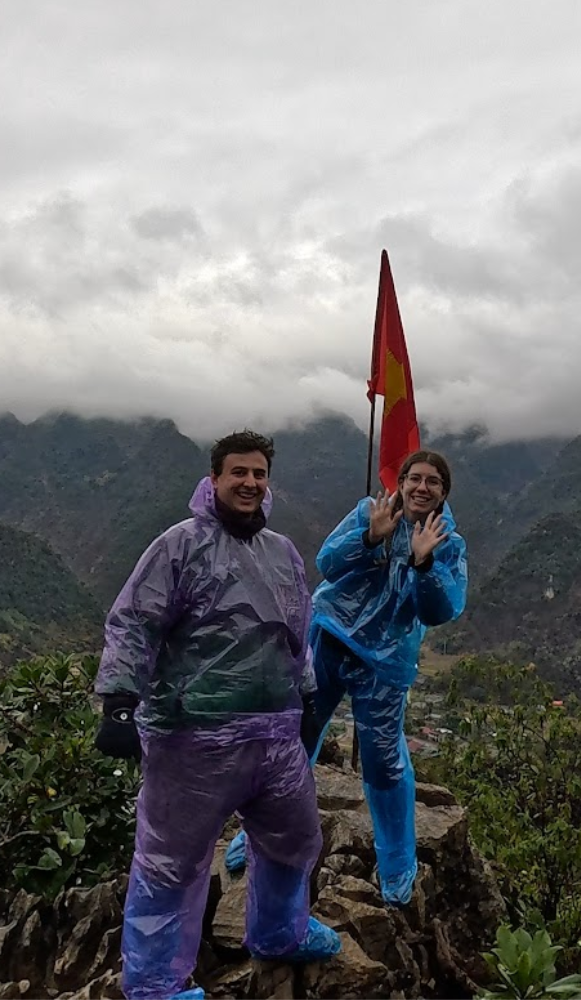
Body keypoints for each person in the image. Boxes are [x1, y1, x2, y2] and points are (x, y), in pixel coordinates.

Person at [94, 430, 340, 1000]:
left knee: (294, 840)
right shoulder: (179, 546)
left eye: (259, 474)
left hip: (275, 738)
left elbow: (294, 634)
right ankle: (154, 983)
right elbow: (135, 621)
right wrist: (119, 701)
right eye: (239, 473)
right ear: (215, 478)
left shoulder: (282, 553)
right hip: (192, 741)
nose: (250, 483)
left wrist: (305, 697)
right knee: (170, 863)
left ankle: (281, 933)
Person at [225, 449, 467, 909]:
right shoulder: (369, 511)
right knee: (297, 736)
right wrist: (370, 537)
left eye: (432, 481)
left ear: (443, 491)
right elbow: (328, 562)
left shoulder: (447, 542)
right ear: (400, 482)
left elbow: (441, 610)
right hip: (332, 636)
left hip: (386, 660)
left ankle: (396, 862)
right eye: (413, 478)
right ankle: (259, 834)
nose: (421, 487)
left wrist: (423, 565)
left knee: (383, 758)